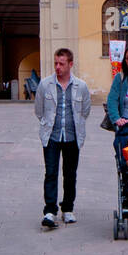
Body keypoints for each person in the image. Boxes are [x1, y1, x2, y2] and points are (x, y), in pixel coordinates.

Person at [35, 47, 91, 229]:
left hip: (72, 136)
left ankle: (67, 209)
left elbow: (85, 111)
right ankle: (50, 210)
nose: (58, 67)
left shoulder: (81, 86)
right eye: (56, 63)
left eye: (62, 63)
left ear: (70, 64)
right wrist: (46, 124)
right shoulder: (45, 84)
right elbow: (39, 110)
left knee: (70, 174)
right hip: (51, 135)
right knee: (50, 173)